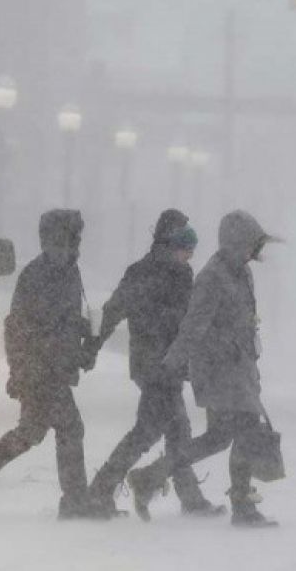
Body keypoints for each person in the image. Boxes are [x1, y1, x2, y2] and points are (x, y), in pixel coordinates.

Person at [126, 210, 280, 528]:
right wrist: (173, 363)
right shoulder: (213, 276)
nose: (255, 251)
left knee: (219, 437)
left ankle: (149, 476)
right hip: (218, 370)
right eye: (251, 244)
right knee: (245, 430)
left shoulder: (241, 273)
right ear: (236, 242)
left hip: (239, 369)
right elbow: (193, 326)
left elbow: (244, 323)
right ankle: (242, 506)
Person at [0, 210, 106, 519]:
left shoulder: (68, 272)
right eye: (72, 238)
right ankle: (75, 501)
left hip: (53, 368)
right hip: (41, 371)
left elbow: (66, 322)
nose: (76, 245)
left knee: (31, 433)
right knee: (70, 429)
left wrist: (85, 341)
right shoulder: (38, 274)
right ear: (56, 239)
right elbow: (19, 326)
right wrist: (22, 371)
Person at [86, 210, 224, 517]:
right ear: (169, 242)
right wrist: (94, 345)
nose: (190, 254)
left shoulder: (169, 273)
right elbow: (115, 310)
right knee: (148, 431)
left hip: (164, 364)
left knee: (176, 431)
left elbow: (189, 321)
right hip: (155, 366)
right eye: (186, 246)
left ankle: (186, 497)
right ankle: (102, 488)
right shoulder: (149, 273)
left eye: (192, 249)